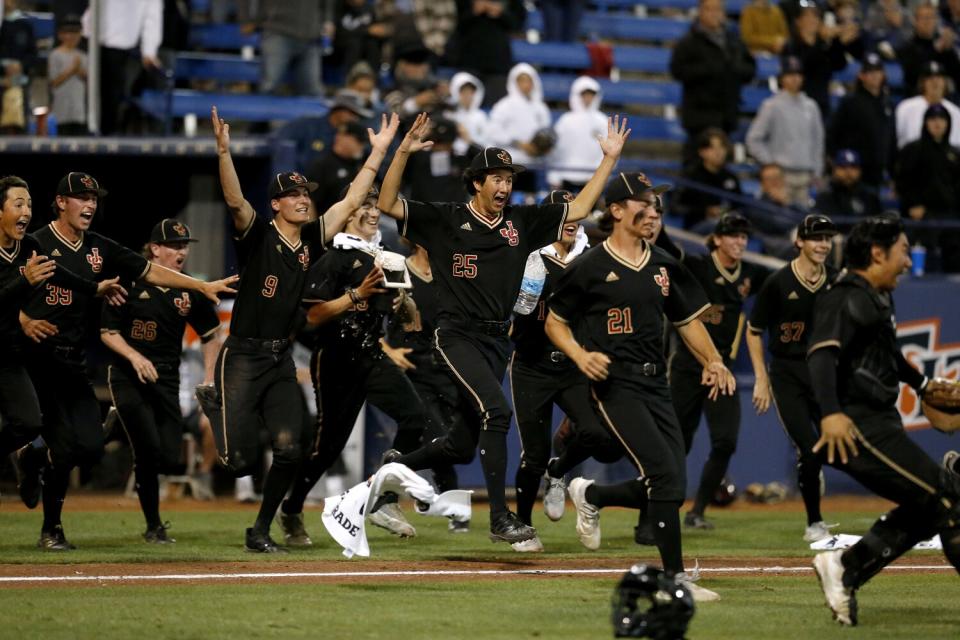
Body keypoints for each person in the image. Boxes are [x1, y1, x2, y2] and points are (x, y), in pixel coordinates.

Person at [375, 112, 631, 546]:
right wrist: (400, 151)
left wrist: (607, 159)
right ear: (476, 182)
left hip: (497, 341)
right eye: (496, 177)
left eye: (509, 178)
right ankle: (499, 518)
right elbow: (386, 203)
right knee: (498, 412)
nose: (505, 185)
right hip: (456, 334)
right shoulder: (445, 219)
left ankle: (390, 469)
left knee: (459, 443)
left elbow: (583, 208)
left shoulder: (522, 223)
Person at [207, 107, 397, 552]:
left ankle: (260, 530)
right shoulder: (257, 235)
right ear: (276, 203)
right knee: (238, 465)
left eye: (304, 193)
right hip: (242, 354)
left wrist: (378, 153)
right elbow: (235, 202)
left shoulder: (311, 239)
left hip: (279, 357)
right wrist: (223, 151)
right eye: (293, 194)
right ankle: (216, 407)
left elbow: (350, 202)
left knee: (292, 449)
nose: (302, 199)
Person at [544, 172, 736, 601]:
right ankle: (673, 580)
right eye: (643, 205)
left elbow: (687, 321)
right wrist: (579, 355)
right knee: (664, 477)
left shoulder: (664, 263)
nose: (653, 213)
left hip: (656, 382)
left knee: (672, 485)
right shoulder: (590, 265)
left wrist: (714, 360)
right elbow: (555, 320)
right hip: (615, 382)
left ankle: (591, 493)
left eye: (656, 207)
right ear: (615, 210)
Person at [21, 171, 236, 551]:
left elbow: (151, 271)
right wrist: (23, 320)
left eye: (94, 198)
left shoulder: (99, 249)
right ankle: (51, 529)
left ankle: (38, 454)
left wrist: (201, 285)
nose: (90, 204)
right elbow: (6, 290)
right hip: (37, 358)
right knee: (66, 448)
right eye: (82, 197)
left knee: (89, 450)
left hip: (75, 361)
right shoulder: (33, 243)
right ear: (60, 202)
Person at [276, 184, 451, 544]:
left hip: (372, 354)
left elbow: (395, 313)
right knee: (328, 448)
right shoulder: (334, 257)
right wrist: (356, 294)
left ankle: (383, 499)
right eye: (366, 206)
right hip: (337, 359)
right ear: (349, 211)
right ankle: (291, 509)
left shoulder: (384, 257)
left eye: (376, 206)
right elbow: (313, 314)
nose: (374, 212)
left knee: (414, 416)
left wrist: (406, 309)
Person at [808, 215, 960, 627]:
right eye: (904, 251)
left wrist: (923, 383)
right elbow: (821, 355)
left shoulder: (878, 296)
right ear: (878, 253)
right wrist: (831, 412)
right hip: (855, 423)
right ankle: (846, 566)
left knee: (932, 502)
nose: (910, 261)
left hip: (879, 418)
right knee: (947, 498)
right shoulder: (845, 296)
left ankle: (845, 566)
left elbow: (889, 355)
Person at [101, 219, 221, 543]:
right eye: (174, 245)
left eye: (184, 246)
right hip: (128, 373)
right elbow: (107, 333)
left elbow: (212, 334)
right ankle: (153, 525)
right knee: (148, 451)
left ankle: (117, 425)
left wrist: (209, 378)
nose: (181, 251)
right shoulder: (127, 281)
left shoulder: (190, 288)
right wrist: (135, 357)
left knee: (170, 457)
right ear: (155, 249)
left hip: (167, 377)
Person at [0, 175, 118, 507]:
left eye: (29, 204)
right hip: (25, 355)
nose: (26, 211)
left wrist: (94, 288)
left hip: (30, 359)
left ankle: (28, 455)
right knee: (40, 430)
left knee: (38, 428)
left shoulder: (27, 248)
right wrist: (23, 302)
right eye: (18, 203)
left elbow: (61, 273)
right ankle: (50, 523)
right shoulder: (24, 251)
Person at [508, 190, 602, 552]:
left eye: (574, 215)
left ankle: (559, 470)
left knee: (595, 432)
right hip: (532, 363)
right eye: (562, 216)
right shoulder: (531, 257)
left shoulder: (591, 258)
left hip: (573, 364)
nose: (571, 222)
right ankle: (524, 526)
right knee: (532, 454)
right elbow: (522, 309)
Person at [670, 212, 771, 530]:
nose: (740, 241)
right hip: (688, 366)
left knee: (725, 440)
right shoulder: (697, 266)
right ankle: (659, 507)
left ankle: (697, 510)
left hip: (722, 369)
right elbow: (669, 255)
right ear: (716, 238)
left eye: (743, 236)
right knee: (677, 442)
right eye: (733, 235)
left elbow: (784, 283)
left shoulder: (750, 273)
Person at [745, 213, 839, 542]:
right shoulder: (779, 282)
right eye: (816, 238)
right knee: (810, 449)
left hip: (826, 374)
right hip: (788, 373)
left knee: (841, 448)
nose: (823, 245)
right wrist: (761, 377)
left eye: (827, 238)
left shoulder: (837, 281)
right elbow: (754, 330)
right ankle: (814, 522)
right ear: (799, 241)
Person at [386, 239, 466, 532]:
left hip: (445, 369)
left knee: (457, 440)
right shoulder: (397, 271)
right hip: (412, 369)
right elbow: (369, 314)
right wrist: (386, 348)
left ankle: (397, 478)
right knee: (437, 433)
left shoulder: (450, 274)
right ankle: (448, 506)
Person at [670, 0, 756, 166]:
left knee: (722, 165)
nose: (714, 14)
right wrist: (709, 69)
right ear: (700, 12)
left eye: (718, 10)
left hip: (727, 114)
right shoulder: (689, 42)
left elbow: (750, 69)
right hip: (699, 116)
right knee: (696, 166)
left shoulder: (734, 41)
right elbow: (677, 71)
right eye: (709, 9)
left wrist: (735, 70)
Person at [745, 55, 824, 208]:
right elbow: (753, 139)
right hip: (781, 176)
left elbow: (818, 141)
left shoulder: (811, 106)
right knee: (780, 221)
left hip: (805, 176)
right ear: (782, 78)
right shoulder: (771, 105)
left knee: (803, 225)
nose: (794, 79)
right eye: (790, 74)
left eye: (798, 74)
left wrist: (817, 171)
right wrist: (769, 162)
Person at [895, 103, 960, 272]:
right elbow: (903, 182)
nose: (937, 123)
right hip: (921, 217)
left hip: (950, 218)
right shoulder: (912, 150)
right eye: (933, 119)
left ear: (948, 123)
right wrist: (912, 205)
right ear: (925, 122)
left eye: (942, 119)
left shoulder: (955, 153)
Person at [82, 0, 162, 135]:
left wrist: (149, 50)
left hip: (120, 45)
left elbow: (152, 17)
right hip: (91, 40)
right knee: (86, 93)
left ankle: (106, 137)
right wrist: (85, 26)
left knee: (111, 98)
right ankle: (86, 133)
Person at [237, 0, 334, 97]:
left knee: (313, 93)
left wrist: (328, 20)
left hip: (310, 37)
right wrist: (246, 19)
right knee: (268, 87)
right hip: (277, 31)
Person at [826, 53, 894, 189]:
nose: (874, 75)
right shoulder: (850, 103)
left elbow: (892, 139)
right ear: (861, 76)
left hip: (879, 172)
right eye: (869, 72)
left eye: (877, 71)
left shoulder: (887, 104)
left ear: (883, 75)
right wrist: (839, 165)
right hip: (854, 172)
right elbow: (832, 134)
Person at [487, 63, 552, 194]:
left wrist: (540, 149)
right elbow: (493, 132)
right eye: (521, 80)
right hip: (510, 165)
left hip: (533, 165)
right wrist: (519, 144)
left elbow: (546, 133)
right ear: (514, 82)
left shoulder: (541, 108)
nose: (526, 84)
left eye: (528, 80)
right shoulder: (504, 105)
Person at [672, 127, 743, 230]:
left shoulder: (731, 177)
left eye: (722, 147)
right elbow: (676, 207)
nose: (718, 152)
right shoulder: (690, 176)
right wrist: (705, 211)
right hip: (697, 226)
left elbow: (740, 206)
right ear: (702, 152)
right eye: (713, 148)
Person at [547, 77, 608, 192]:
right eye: (584, 94)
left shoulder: (603, 121)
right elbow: (556, 151)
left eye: (591, 95)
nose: (588, 98)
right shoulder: (565, 120)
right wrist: (554, 176)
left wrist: (602, 177)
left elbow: (609, 152)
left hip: (592, 179)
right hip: (566, 178)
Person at [895, 2, 960, 99]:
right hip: (917, 98)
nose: (928, 22)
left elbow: (956, 75)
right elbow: (913, 75)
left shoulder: (943, 45)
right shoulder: (907, 47)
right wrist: (935, 50)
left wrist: (949, 51)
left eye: (932, 17)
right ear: (915, 21)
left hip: (944, 99)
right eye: (924, 18)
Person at [895, 60, 960, 149]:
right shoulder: (905, 108)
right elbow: (896, 141)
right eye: (930, 78)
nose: (935, 82)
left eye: (939, 77)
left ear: (945, 82)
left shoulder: (955, 112)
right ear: (922, 83)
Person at [46, 14, 87, 136]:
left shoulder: (84, 56)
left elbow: (88, 79)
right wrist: (72, 69)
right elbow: (54, 82)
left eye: (75, 32)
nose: (72, 36)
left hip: (79, 111)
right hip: (61, 111)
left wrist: (78, 70)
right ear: (61, 35)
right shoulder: (55, 55)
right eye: (68, 32)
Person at [814, 149, 882, 219]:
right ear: (834, 170)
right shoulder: (824, 198)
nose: (848, 172)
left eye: (853, 167)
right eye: (843, 167)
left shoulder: (870, 198)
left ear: (860, 171)